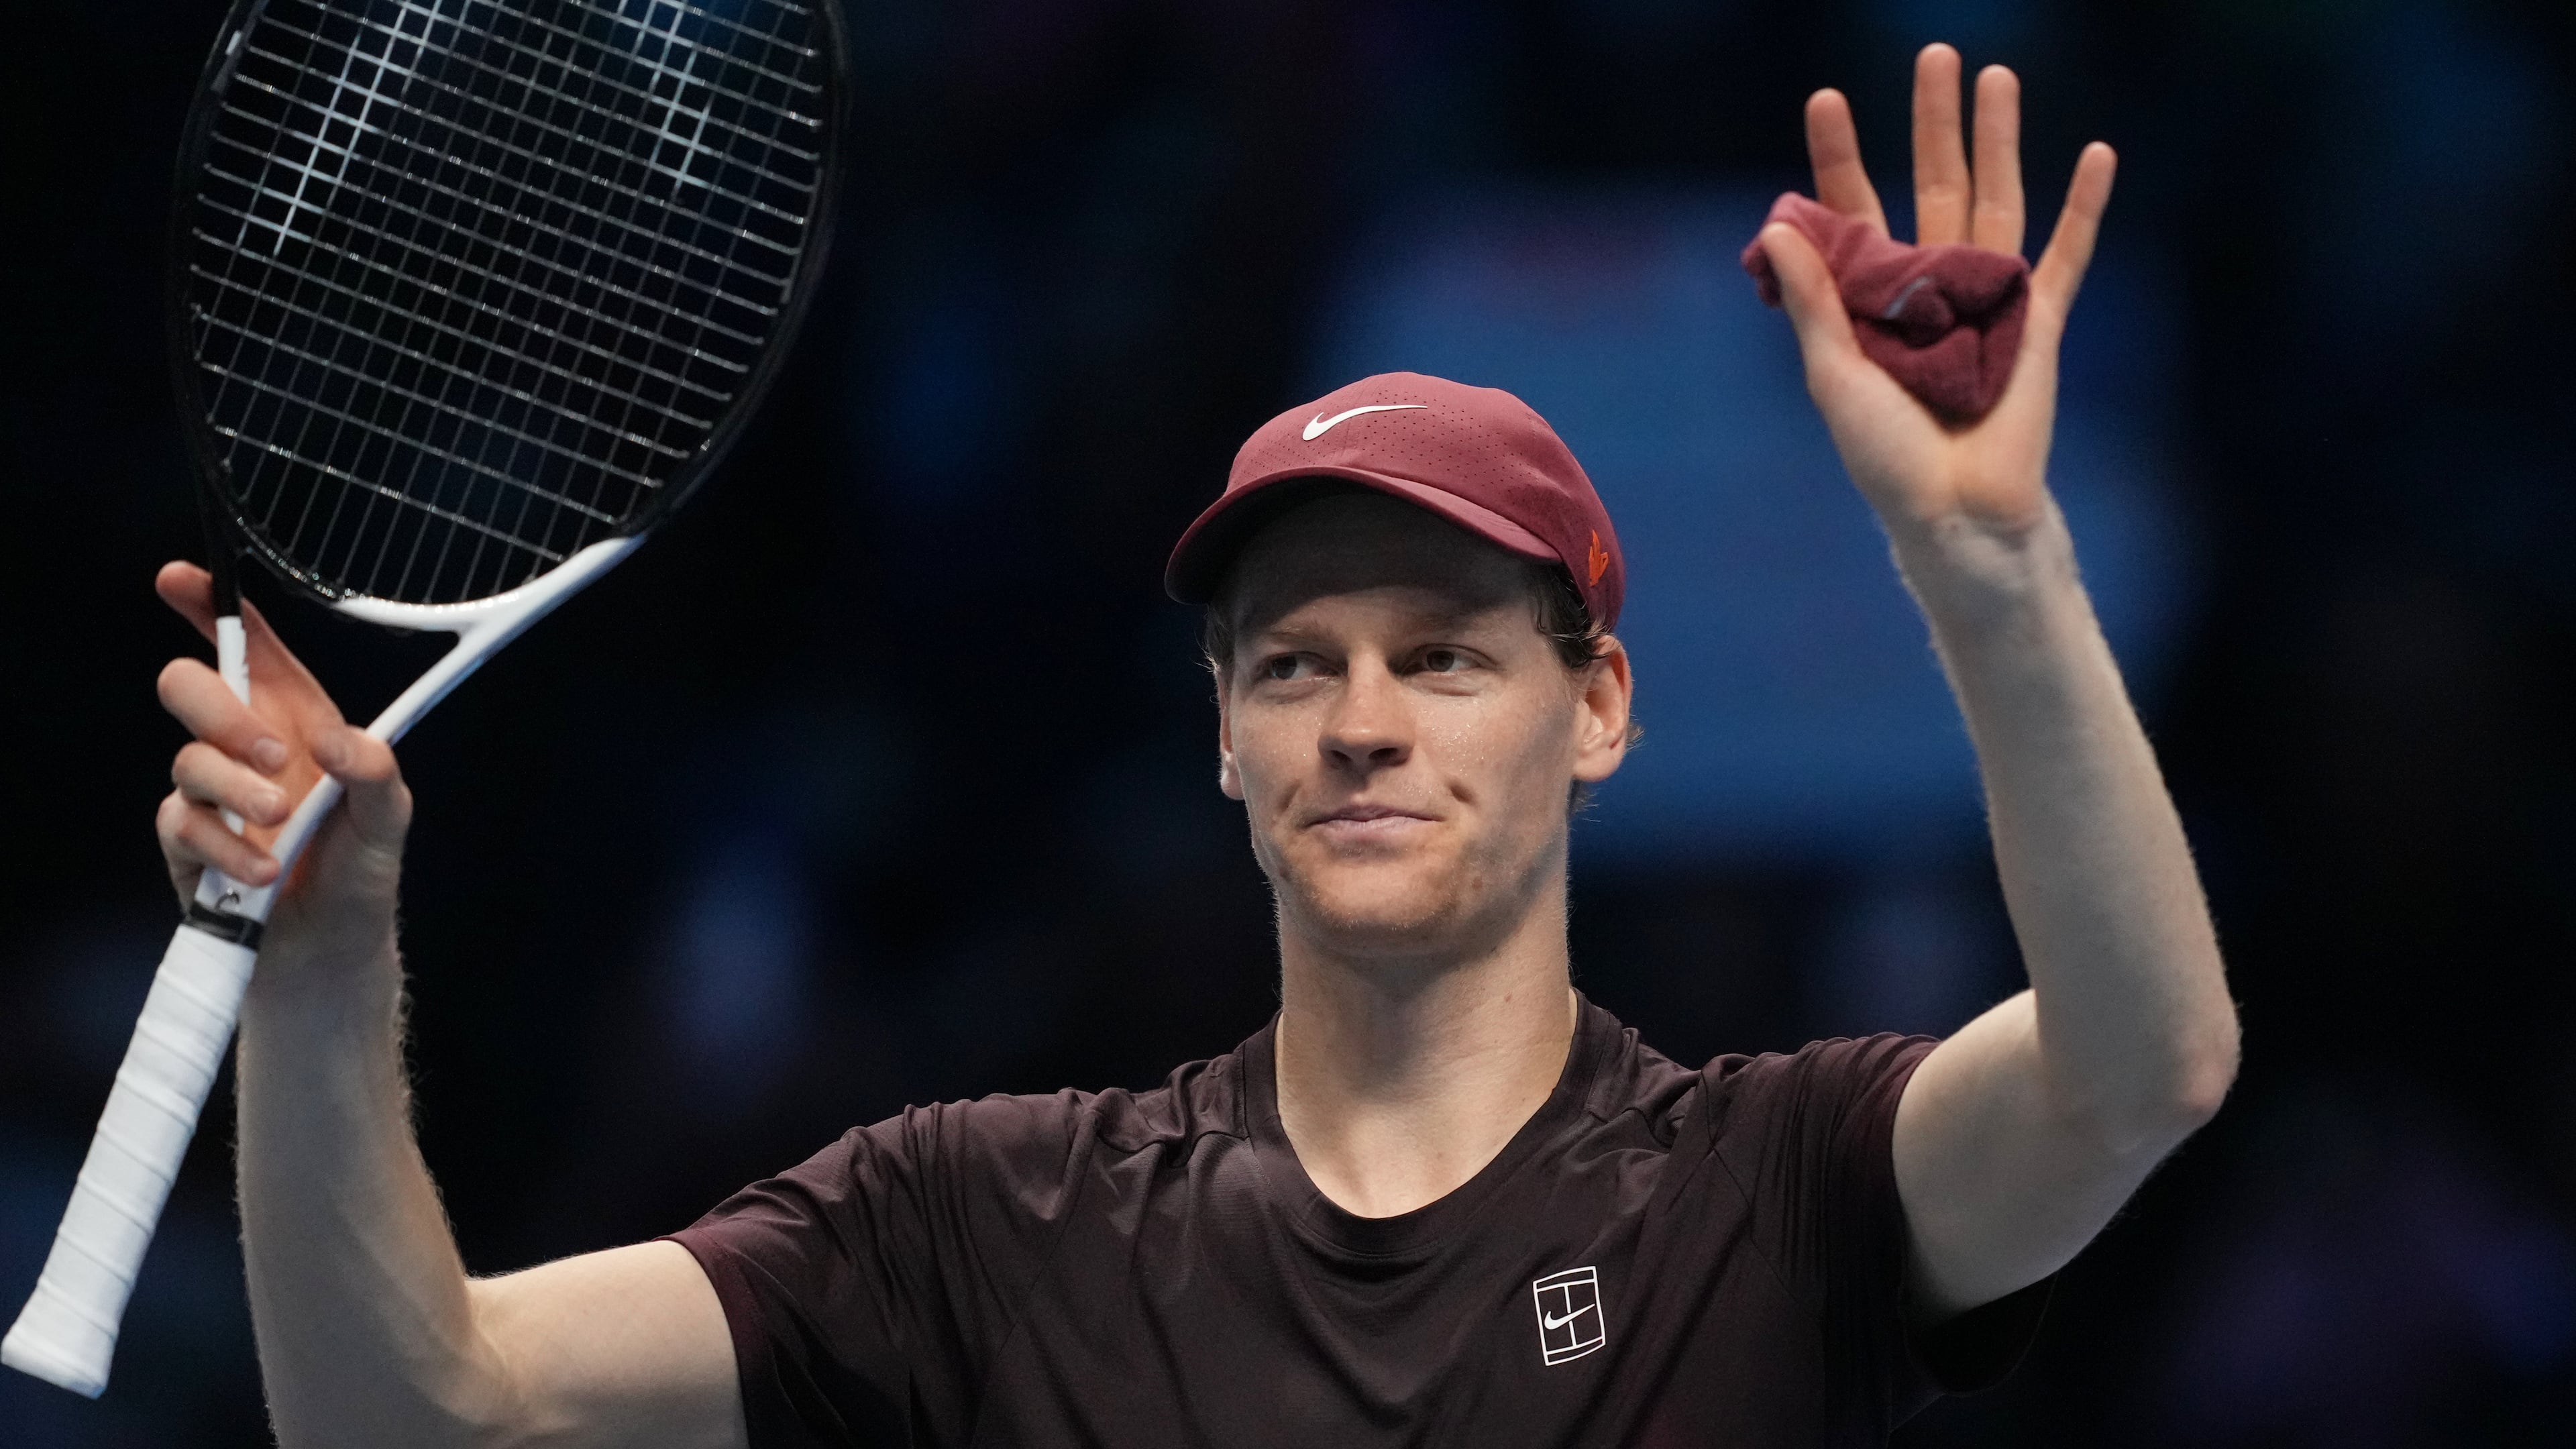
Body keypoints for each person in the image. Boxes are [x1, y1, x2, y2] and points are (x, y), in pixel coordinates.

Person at [150, 45, 2237, 1448]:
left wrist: (1988, 559)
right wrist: (325, 979)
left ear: (1598, 710)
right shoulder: (983, 1227)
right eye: (1293, 666)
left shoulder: (1772, 1187)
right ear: (1223, 738)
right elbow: (417, 1409)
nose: (1360, 726)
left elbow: (2143, 1068)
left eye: (1444, 658)